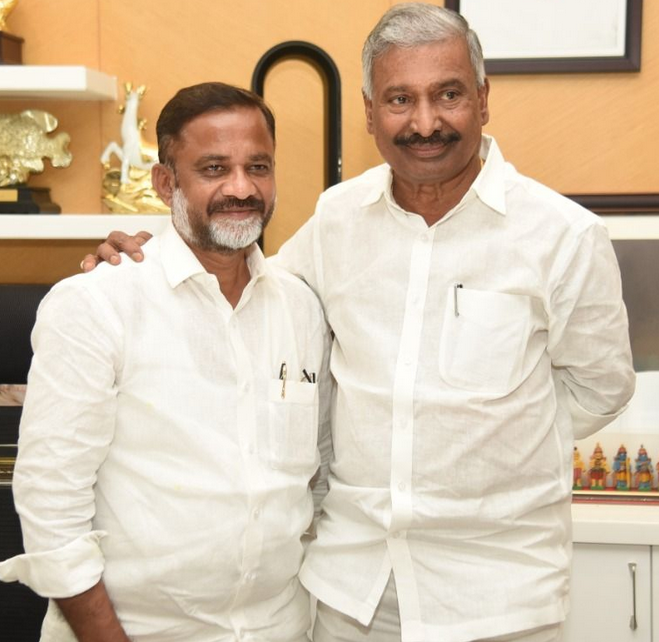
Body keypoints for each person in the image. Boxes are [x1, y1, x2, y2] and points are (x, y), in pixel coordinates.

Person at [81, 4, 636, 642]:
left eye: (448, 94)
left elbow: (600, 388)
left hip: (498, 597)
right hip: (350, 594)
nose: (424, 122)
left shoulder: (563, 236)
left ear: (483, 100)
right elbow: (248, 294)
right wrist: (145, 258)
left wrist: (501, 436)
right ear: (370, 113)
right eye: (400, 99)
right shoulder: (339, 219)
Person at [0, 82, 331, 642]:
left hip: (283, 626)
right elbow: (51, 506)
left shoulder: (301, 308)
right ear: (164, 183)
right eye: (214, 168)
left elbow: (317, 480)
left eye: (258, 166)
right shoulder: (97, 303)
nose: (241, 187)